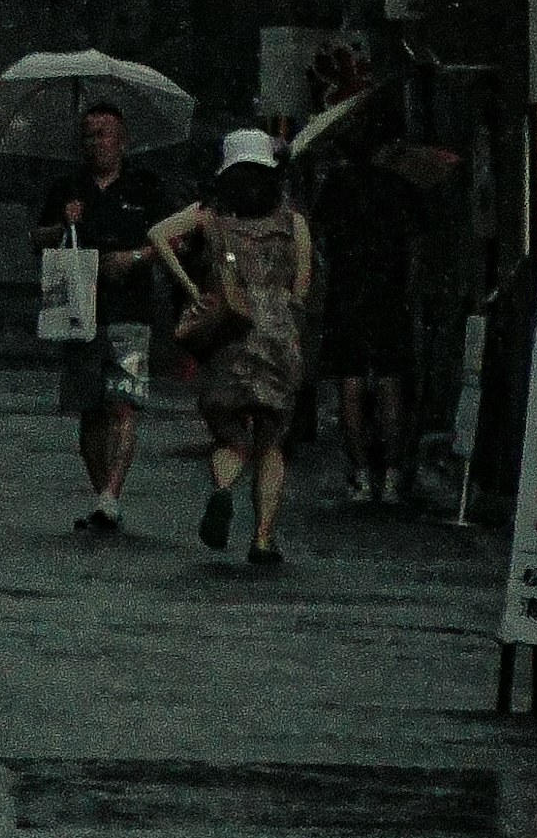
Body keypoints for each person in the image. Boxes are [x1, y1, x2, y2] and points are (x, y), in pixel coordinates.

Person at [150, 129, 314, 569]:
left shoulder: (211, 215)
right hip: (278, 339)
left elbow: (158, 234)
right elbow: (302, 286)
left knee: (230, 436)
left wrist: (191, 290)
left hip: (228, 339)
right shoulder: (293, 222)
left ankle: (223, 490)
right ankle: (263, 538)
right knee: (272, 442)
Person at [39, 92, 168, 540]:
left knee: (122, 401)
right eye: (88, 135)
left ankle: (112, 493)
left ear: (122, 140)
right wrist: (64, 223)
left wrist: (134, 258)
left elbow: (172, 240)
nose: (96, 143)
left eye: (104, 135)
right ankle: (102, 498)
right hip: (79, 309)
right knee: (90, 409)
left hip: (131, 310)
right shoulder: (67, 187)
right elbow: (37, 238)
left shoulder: (145, 188)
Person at [310, 97, 425, 510]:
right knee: (392, 380)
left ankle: (359, 475)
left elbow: (320, 237)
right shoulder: (400, 185)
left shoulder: (336, 185)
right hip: (389, 292)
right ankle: (392, 476)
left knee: (351, 382)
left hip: (346, 291)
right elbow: (415, 246)